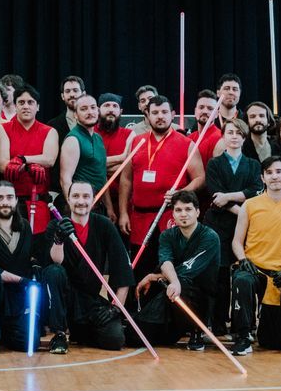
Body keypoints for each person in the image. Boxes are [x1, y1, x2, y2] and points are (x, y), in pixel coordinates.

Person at [0, 181, 70, 354]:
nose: (5, 202)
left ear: (16, 201)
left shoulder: (25, 228)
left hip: (17, 300)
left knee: (28, 342)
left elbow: (32, 260)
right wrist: (23, 280)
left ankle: (6, 332)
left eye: (9, 197)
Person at [227, 157, 281, 354]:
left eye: (279, 171)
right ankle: (243, 336)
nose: (274, 176)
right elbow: (236, 242)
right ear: (263, 178)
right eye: (269, 173)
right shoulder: (250, 205)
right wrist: (243, 260)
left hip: (280, 275)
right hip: (253, 269)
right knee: (242, 280)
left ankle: (269, 322)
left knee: (275, 342)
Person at [117, 95, 202, 267]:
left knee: (171, 265)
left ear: (173, 114)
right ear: (147, 115)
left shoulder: (186, 144)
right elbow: (125, 180)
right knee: (140, 268)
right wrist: (124, 213)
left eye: (164, 112)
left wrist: (181, 193)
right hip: (139, 218)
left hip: (170, 216)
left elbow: (200, 178)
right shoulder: (136, 142)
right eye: (155, 112)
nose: (160, 116)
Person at [135, 191, 221, 351]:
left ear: (197, 212)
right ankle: (169, 329)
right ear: (173, 214)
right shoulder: (167, 235)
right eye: (178, 210)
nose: (183, 214)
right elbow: (165, 261)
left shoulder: (210, 237)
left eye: (188, 209)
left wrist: (156, 277)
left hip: (201, 296)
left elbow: (189, 269)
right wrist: (171, 280)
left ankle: (197, 330)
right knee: (136, 337)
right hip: (174, 292)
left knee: (184, 282)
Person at [57, 180, 131, 351]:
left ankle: (81, 333)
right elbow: (53, 264)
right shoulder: (59, 225)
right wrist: (58, 239)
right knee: (55, 272)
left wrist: (115, 308)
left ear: (94, 200)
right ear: (68, 199)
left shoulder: (104, 225)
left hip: (90, 300)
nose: (81, 201)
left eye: (86, 196)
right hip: (65, 300)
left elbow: (122, 269)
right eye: (75, 196)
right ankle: (62, 331)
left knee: (115, 339)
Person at [0, 85, 60, 232]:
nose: (26, 106)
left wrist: (23, 159)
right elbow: (3, 164)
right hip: (11, 202)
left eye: (30, 102)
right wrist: (28, 166)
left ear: (37, 107)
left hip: (38, 202)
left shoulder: (49, 131)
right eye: (21, 102)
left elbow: (50, 159)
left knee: (38, 249)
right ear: (15, 105)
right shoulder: (3, 129)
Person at [203, 126, 261, 249]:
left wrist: (227, 196)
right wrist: (241, 213)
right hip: (218, 221)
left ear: (244, 137)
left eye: (239, 133)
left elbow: (255, 190)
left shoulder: (254, 164)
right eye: (230, 132)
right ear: (223, 136)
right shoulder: (213, 164)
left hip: (248, 222)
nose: (234, 136)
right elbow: (215, 193)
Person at [57, 94, 108, 198]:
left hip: (98, 204)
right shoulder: (73, 140)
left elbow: (102, 175)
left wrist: (110, 209)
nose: (90, 112)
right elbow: (65, 179)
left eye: (93, 108)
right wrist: (74, 207)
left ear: (98, 111)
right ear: (75, 114)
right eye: (84, 109)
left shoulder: (98, 138)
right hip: (81, 205)